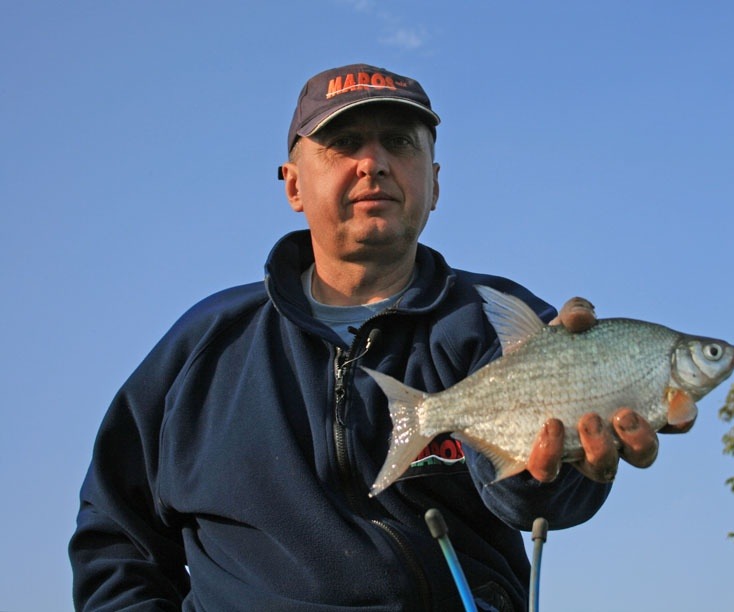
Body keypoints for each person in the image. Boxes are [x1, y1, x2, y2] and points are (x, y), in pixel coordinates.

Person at [69, 63, 679, 611]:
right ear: (293, 185)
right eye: (342, 144)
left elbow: (539, 505)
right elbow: (115, 531)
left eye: (399, 142)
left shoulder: (500, 320)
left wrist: (559, 461)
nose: (374, 162)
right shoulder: (203, 346)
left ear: (434, 183)